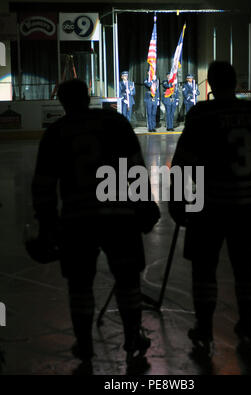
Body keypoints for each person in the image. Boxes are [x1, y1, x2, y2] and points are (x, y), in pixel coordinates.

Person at [31, 79, 160, 367]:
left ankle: (85, 344)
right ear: (87, 96)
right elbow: (135, 168)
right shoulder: (115, 122)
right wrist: (143, 205)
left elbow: (44, 186)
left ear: (62, 102)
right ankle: (132, 335)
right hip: (120, 217)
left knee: (79, 285)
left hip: (77, 219)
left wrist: (47, 225)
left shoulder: (56, 132)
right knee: (127, 281)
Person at [170, 61, 251, 357]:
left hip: (209, 204)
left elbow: (182, 160)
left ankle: (205, 328)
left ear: (211, 84)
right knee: (246, 269)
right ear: (235, 83)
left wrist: (178, 199)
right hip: (247, 206)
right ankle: (248, 325)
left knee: (204, 269)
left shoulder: (201, 114)